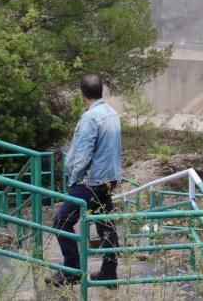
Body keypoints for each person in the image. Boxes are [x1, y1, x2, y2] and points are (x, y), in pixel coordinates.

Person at [48, 74, 122, 286]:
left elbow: (82, 155)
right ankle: (109, 273)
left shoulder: (91, 118)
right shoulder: (112, 114)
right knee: (105, 226)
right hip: (108, 180)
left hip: (90, 181)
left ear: (82, 94)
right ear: (101, 91)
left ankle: (72, 270)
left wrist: (73, 179)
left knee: (61, 221)